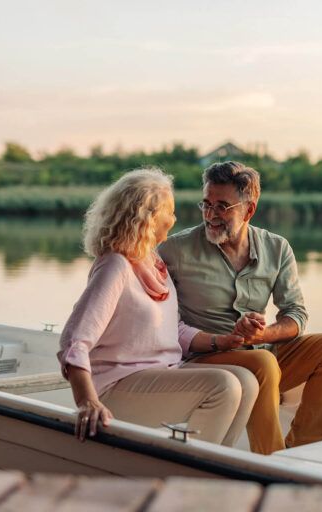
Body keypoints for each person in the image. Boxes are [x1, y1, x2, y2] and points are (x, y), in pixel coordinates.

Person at [158, 161, 322, 455]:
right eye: (206, 204)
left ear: (249, 210)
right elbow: (160, 321)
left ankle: (302, 451)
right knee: (262, 364)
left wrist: (261, 336)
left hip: (263, 355)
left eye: (223, 206)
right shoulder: (173, 250)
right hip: (205, 361)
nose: (211, 215)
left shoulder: (277, 248)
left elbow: (296, 315)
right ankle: (272, 461)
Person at [57, 167, 257, 445]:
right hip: (117, 386)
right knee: (223, 386)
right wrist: (86, 401)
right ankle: (191, 473)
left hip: (163, 372)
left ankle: (214, 468)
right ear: (148, 216)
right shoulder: (115, 266)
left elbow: (171, 329)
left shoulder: (154, 263)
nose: (175, 219)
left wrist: (222, 341)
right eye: (170, 211)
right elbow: (73, 341)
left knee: (246, 381)